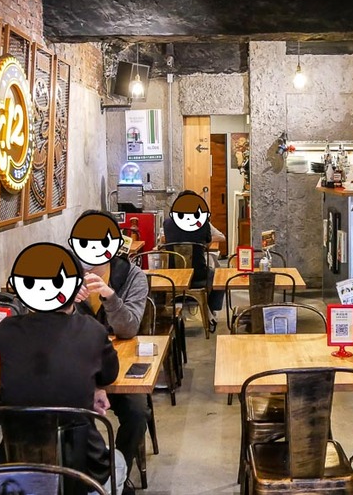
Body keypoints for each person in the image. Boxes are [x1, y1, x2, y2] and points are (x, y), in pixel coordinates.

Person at [0, 242, 127, 494]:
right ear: (77, 287)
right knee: (118, 461)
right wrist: (94, 387)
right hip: (82, 469)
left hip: (18, 467)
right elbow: (109, 374)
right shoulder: (91, 329)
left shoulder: (6, 330)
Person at [69, 210, 149, 490]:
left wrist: (110, 296)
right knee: (59, 410)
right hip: (74, 367)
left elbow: (129, 328)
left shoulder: (132, 277)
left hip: (118, 366)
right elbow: (49, 327)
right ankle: (80, 473)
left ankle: (117, 475)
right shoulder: (63, 275)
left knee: (138, 413)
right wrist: (65, 302)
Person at [162, 190, 225, 326]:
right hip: (198, 275)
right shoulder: (202, 222)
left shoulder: (167, 223)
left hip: (172, 275)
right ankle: (211, 310)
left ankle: (164, 312)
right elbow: (208, 243)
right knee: (219, 275)